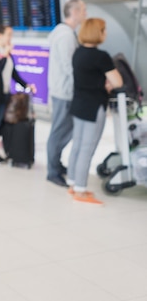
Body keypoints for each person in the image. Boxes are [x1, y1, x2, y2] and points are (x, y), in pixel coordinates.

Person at [67, 17, 122, 204]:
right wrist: (106, 84)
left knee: (77, 145)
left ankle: (73, 183)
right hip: (93, 107)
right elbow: (118, 82)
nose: (105, 33)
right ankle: (81, 191)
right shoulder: (101, 57)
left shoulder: (78, 53)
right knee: (87, 148)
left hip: (78, 105)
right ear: (97, 32)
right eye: (104, 30)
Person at [0, 25, 35, 164]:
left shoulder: (7, 54)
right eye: (8, 34)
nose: (10, 38)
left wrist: (26, 84)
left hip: (3, 95)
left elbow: (13, 73)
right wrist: (5, 54)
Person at [46, 0, 86, 187]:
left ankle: (56, 165)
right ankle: (52, 171)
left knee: (61, 129)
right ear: (75, 12)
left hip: (62, 89)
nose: (85, 13)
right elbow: (69, 66)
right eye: (83, 10)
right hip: (64, 91)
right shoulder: (66, 36)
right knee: (59, 131)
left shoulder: (64, 32)